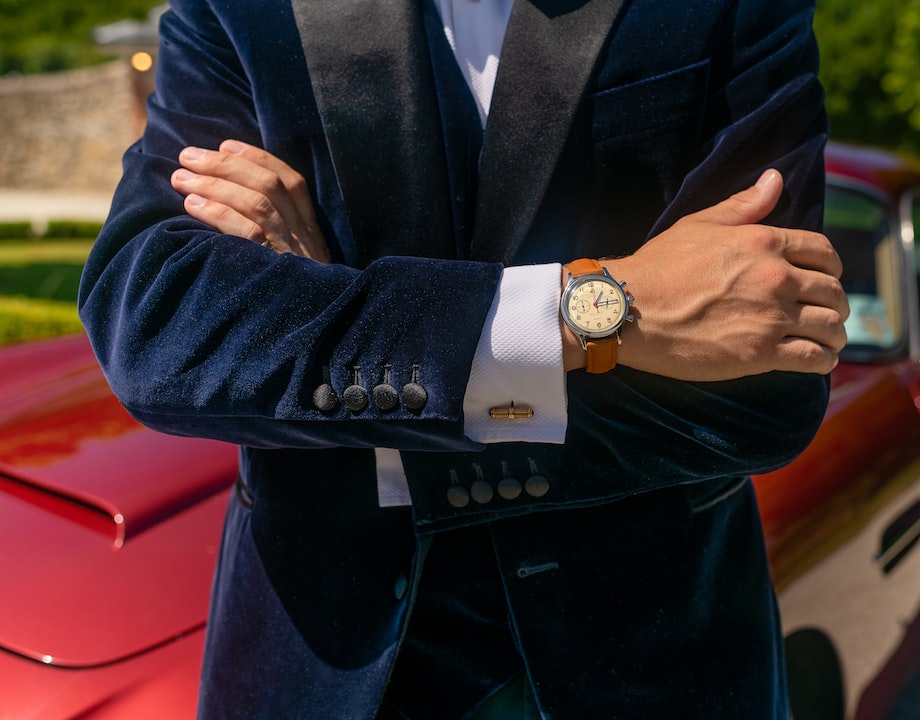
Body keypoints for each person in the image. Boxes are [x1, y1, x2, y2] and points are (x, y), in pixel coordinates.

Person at [78, 0, 848, 717]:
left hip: (657, 662)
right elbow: (157, 324)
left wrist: (322, 320)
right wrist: (593, 312)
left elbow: (768, 388)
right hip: (317, 665)